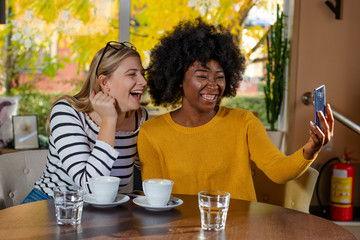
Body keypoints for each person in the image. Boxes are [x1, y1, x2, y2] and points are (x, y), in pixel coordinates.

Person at [137, 18, 334, 201]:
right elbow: (156, 199)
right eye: (202, 76)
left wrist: (311, 149)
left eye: (220, 77)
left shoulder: (244, 123)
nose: (213, 85)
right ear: (179, 79)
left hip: (238, 230)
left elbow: (278, 170)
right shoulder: (152, 133)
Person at [22, 41, 147, 203]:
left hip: (102, 213)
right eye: (132, 74)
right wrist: (109, 120)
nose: (143, 82)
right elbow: (90, 186)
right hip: (50, 205)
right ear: (104, 83)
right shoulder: (67, 112)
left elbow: (149, 170)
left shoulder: (140, 118)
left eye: (143, 74)